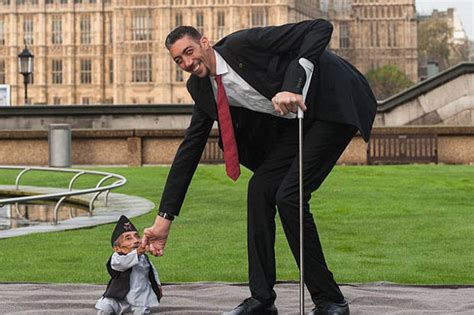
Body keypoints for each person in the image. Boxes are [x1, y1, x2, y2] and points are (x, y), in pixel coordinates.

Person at [143, 19, 377, 315]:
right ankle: (262, 299)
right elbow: (189, 151)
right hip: (295, 124)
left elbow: (320, 28)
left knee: (289, 196)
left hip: (333, 101)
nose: (188, 62)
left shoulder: (243, 44)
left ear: (205, 42)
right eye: (179, 60)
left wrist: (293, 85)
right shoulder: (201, 89)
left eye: (189, 51)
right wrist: (164, 220)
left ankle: (330, 299)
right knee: (259, 190)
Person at [96, 215, 162, 315]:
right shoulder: (117, 258)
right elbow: (122, 264)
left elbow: (152, 271)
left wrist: (157, 285)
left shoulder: (144, 258)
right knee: (106, 307)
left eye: (137, 236)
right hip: (118, 297)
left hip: (139, 296)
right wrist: (138, 252)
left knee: (142, 311)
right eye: (128, 238)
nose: (136, 241)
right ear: (117, 248)